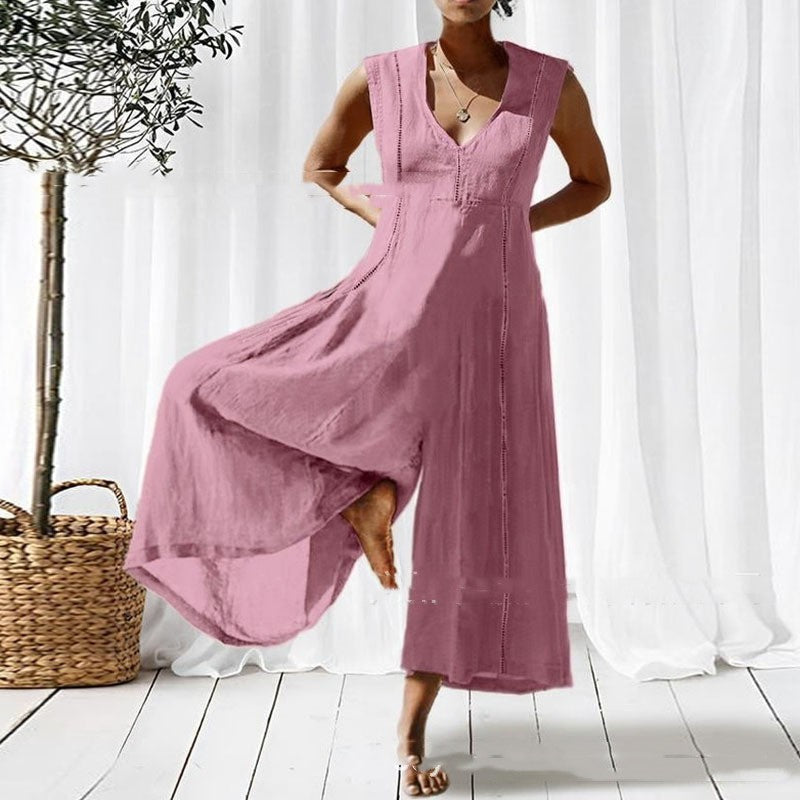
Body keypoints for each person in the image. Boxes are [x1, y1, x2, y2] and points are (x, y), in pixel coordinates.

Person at [124, 0, 611, 796]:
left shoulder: (550, 83)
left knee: (471, 517)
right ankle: (364, 488)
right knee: (200, 382)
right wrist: (387, 215)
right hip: (389, 297)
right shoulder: (381, 78)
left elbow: (593, 184)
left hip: (495, 313)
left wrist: (508, 225)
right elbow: (323, 167)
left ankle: (411, 733)